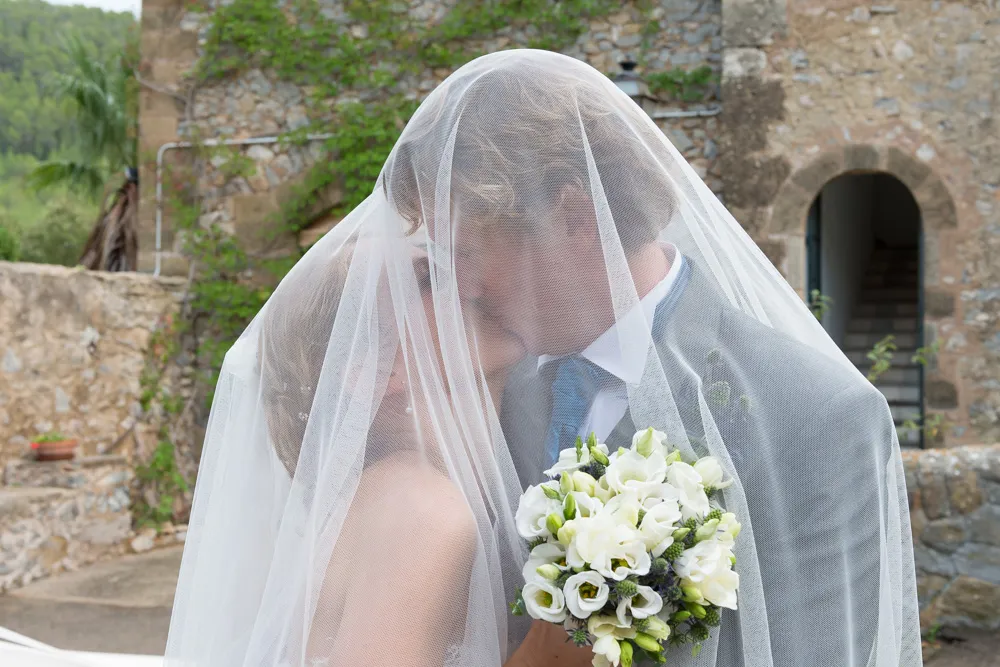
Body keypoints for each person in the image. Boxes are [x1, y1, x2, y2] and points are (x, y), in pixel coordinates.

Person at [165, 49, 921, 667]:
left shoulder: (817, 414)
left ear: (572, 216)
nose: (455, 283)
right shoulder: (474, 405)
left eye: (463, 251)